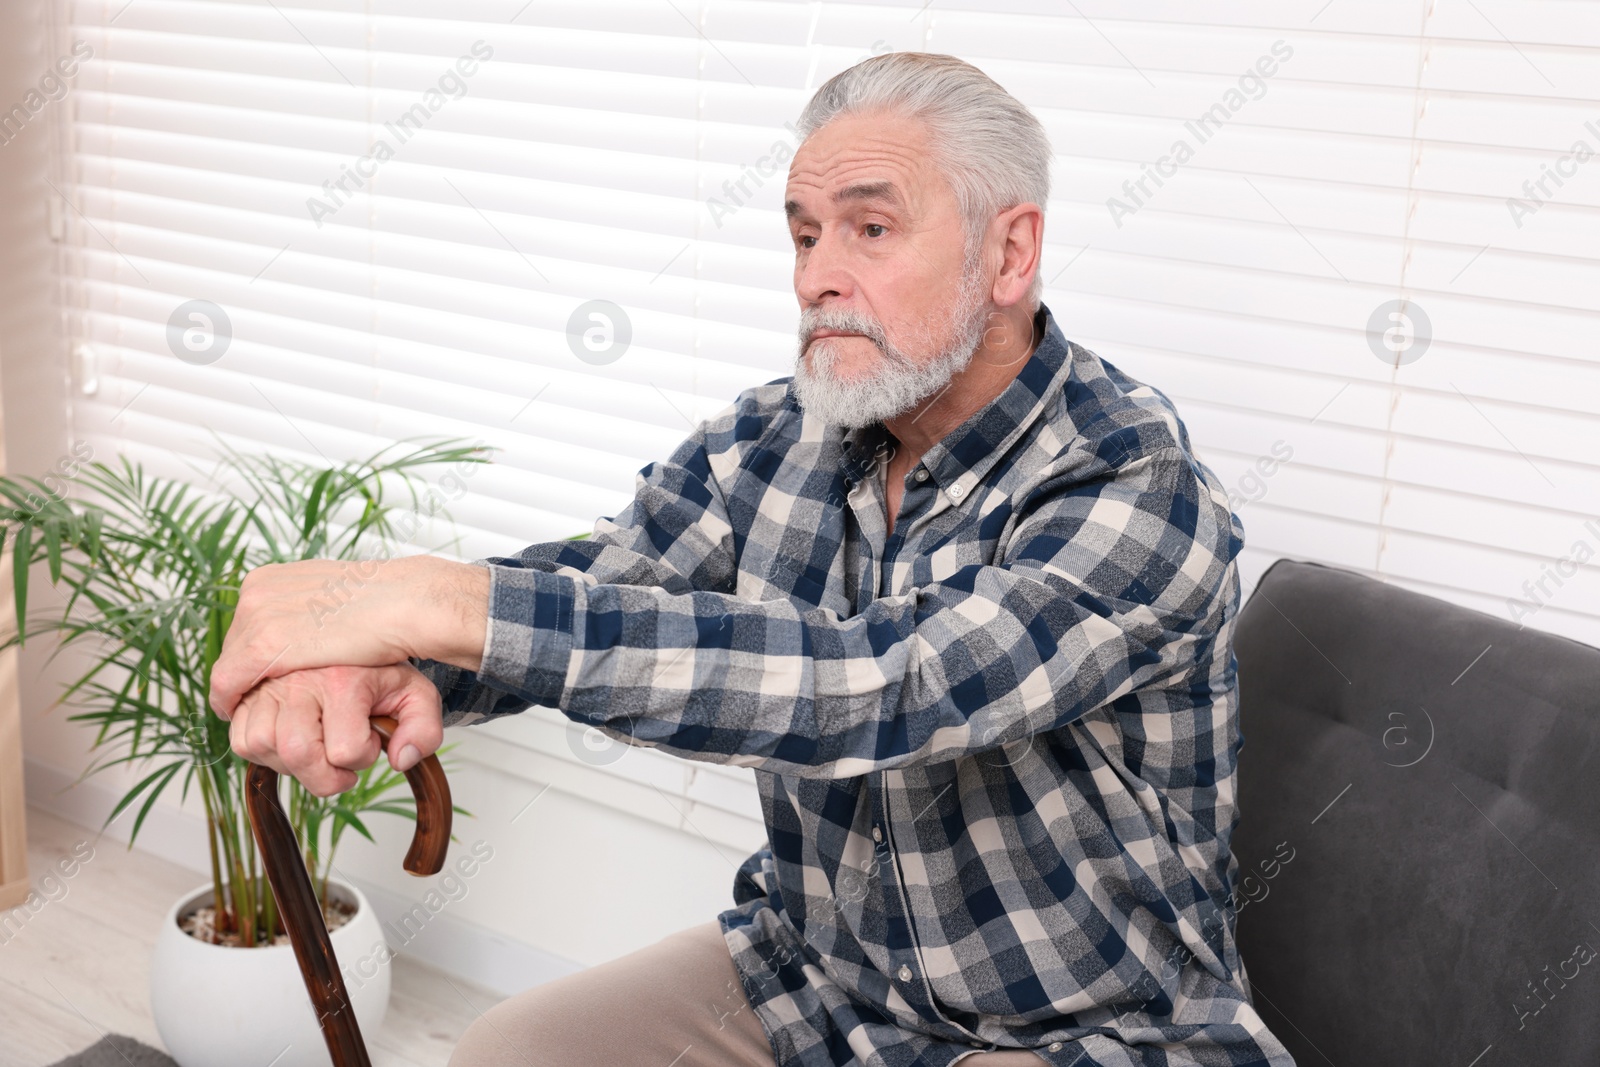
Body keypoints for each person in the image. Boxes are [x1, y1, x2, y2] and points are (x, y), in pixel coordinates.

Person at [212, 52, 1295, 1067]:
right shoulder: (774, 436)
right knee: (508, 1052)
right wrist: (394, 659)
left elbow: (875, 683)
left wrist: (423, 595)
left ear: (1006, 252)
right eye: (804, 234)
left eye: (870, 229)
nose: (818, 276)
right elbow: (606, 583)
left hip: (1086, 1027)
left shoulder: (1135, 483)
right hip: (820, 982)